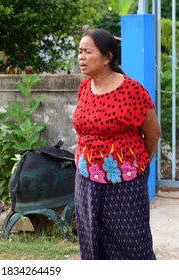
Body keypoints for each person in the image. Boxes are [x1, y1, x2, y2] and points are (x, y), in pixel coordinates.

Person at [73, 28, 161, 260]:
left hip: (125, 183)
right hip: (86, 179)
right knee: (92, 239)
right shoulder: (84, 88)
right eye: (79, 51)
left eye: (87, 52)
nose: (81, 57)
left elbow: (153, 134)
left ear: (107, 57)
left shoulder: (133, 91)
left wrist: (137, 167)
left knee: (131, 243)